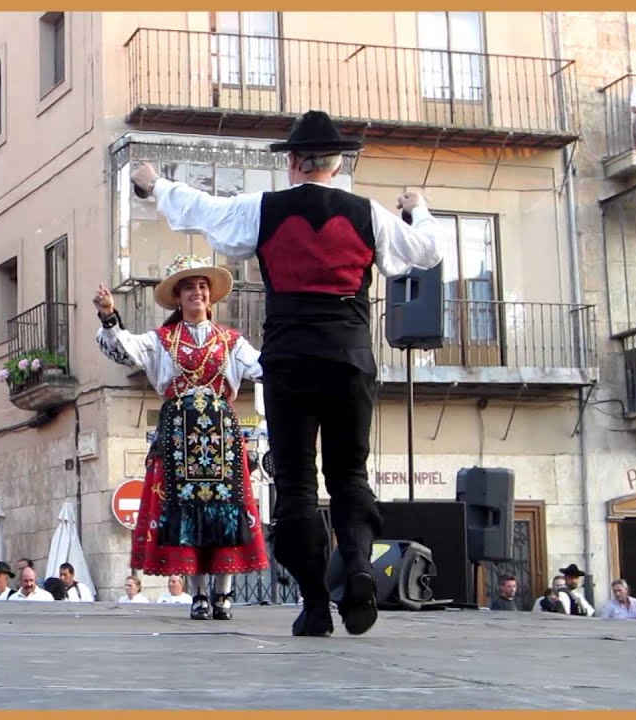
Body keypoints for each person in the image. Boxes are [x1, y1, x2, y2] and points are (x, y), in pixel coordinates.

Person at [130, 110, 442, 637]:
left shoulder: (264, 209)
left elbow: (202, 211)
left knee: (296, 483)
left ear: (294, 162)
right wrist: (419, 209)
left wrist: (154, 183)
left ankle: (316, 602)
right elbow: (426, 252)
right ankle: (361, 568)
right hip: (348, 355)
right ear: (337, 163)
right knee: (350, 475)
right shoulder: (367, 213)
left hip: (290, 357)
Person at [95, 255, 268, 621]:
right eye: (189, 286)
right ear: (177, 296)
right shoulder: (161, 340)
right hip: (178, 434)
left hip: (221, 434)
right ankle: (198, 593)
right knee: (183, 511)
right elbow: (124, 349)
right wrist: (110, 316)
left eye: (202, 286)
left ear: (211, 296)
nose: (197, 292)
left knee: (225, 509)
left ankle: (223, 592)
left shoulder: (231, 340)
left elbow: (262, 366)